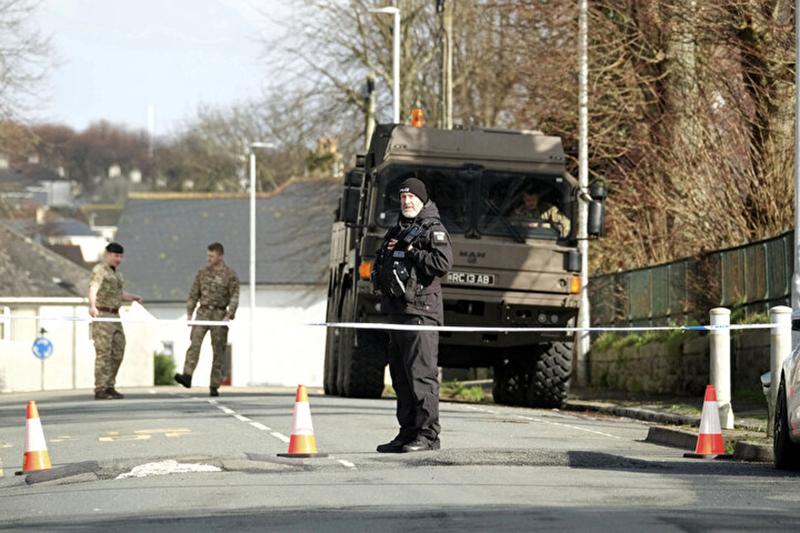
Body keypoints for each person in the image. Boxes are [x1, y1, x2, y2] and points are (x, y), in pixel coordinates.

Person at [373, 177, 453, 453]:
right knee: (401, 378)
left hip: (421, 313)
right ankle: (407, 432)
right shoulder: (397, 230)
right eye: (403, 197)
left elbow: (442, 263)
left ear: (422, 199)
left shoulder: (433, 229)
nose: (407, 202)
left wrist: (414, 253)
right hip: (398, 312)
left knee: (421, 377)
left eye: (412, 197)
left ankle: (428, 436)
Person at [174, 242, 240, 397]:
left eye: (212, 256)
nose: (209, 259)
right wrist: (189, 313)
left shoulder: (230, 275)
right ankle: (187, 375)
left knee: (218, 350)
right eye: (208, 256)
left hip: (219, 314)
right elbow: (193, 293)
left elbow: (235, 296)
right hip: (203, 312)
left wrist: (229, 314)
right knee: (195, 344)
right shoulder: (202, 273)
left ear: (220, 256)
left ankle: (214, 385)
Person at [89, 242, 143, 400]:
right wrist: (92, 306)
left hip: (115, 316)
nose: (118, 259)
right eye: (115, 256)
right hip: (103, 315)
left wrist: (133, 297)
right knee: (103, 353)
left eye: (120, 256)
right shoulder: (100, 270)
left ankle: (110, 385)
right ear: (107, 254)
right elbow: (93, 287)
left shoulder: (117, 274)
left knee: (118, 351)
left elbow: (119, 294)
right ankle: (100, 388)